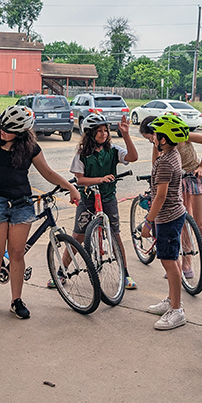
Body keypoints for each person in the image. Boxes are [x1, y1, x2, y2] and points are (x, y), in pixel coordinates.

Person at [0, 101, 80, 319]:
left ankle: (16, 300)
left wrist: (71, 188)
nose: (3, 132)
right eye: (1, 127)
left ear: (21, 132)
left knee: (17, 254)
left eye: (8, 131)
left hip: (21, 204)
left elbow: (47, 173)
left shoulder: (30, 148)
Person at [59, 112, 138, 290]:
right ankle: (62, 271)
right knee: (78, 235)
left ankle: (125, 273)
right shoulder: (82, 155)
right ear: (89, 134)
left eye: (106, 130)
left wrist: (126, 135)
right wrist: (100, 179)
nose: (104, 134)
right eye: (99, 131)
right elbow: (79, 180)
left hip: (108, 198)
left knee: (115, 236)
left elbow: (133, 157)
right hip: (87, 199)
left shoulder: (113, 150)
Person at [140, 113, 189, 330]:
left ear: (163, 139)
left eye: (156, 136)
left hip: (167, 217)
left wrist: (148, 221)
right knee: (172, 260)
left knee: (169, 262)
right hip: (174, 213)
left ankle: (177, 310)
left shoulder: (165, 163)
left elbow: (160, 196)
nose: (152, 138)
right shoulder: (173, 154)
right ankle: (172, 299)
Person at [177, 129, 202, 290]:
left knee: (200, 224)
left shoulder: (182, 135)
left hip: (195, 177)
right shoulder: (159, 141)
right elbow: (156, 163)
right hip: (178, 180)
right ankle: (186, 266)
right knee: (183, 222)